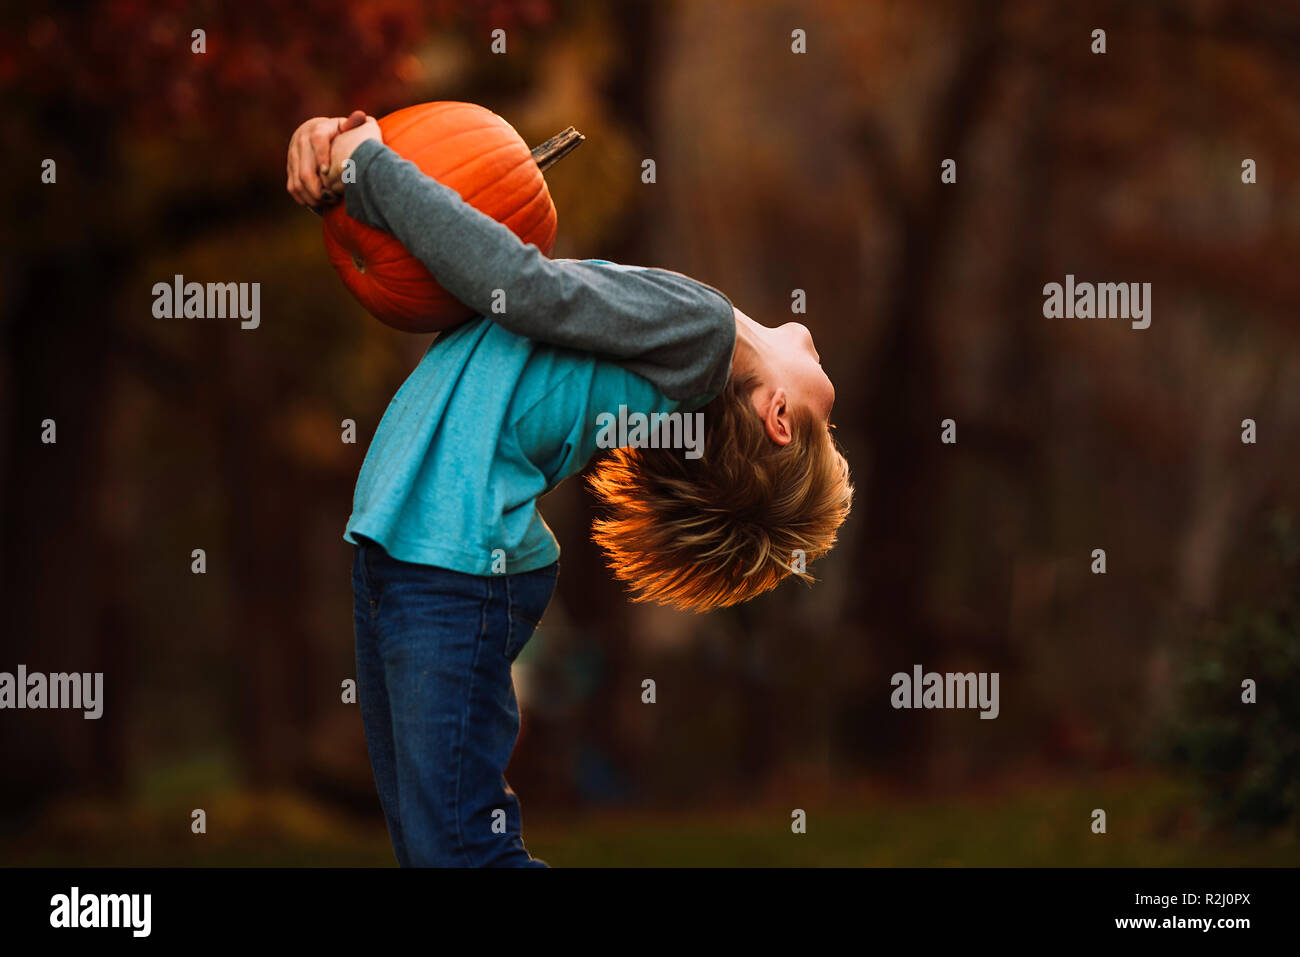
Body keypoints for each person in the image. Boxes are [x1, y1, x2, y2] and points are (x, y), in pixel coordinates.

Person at [285, 111, 853, 866]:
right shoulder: (684, 348)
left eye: (828, 425)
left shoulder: (704, 332)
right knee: (438, 851)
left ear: (780, 416)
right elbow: (473, 277)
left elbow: (522, 288)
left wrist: (373, 172)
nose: (833, 410)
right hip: (413, 555)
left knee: (455, 853)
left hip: (450, 570)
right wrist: (342, 183)